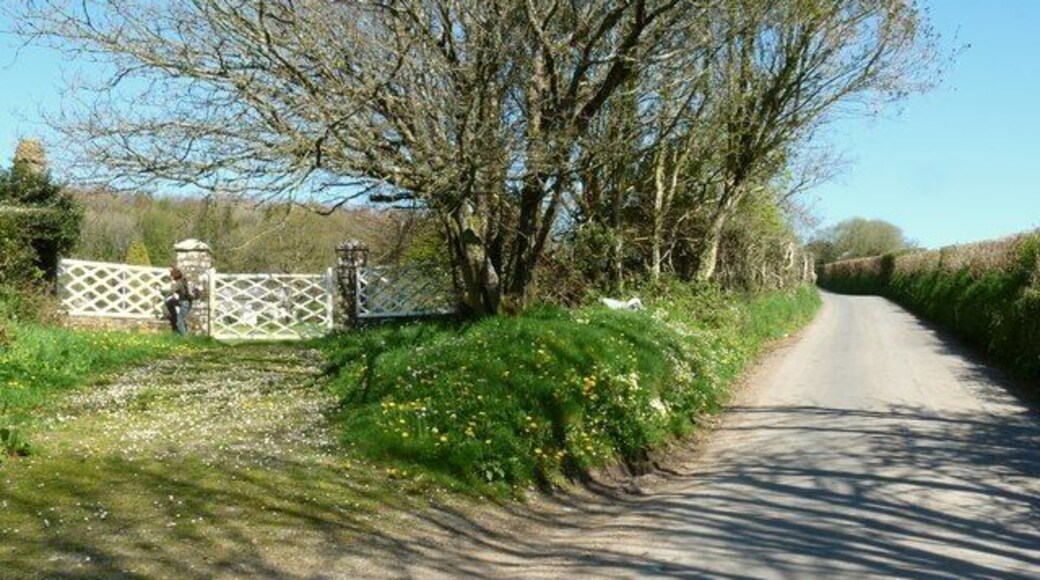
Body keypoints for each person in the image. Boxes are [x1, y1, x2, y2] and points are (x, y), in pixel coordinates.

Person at [165, 267, 194, 335]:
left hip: (185, 303)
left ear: (174, 276)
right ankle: (174, 315)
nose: (170, 277)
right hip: (184, 302)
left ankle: (185, 337)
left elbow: (171, 291)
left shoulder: (178, 283)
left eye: (171, 275)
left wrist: (165, 296)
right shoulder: (183, 281)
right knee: (170, 302)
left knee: (179, 321)